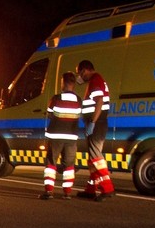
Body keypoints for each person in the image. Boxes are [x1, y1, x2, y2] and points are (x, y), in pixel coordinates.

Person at [76, 60, 116, 201]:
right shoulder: (95, 80)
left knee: (96, 157)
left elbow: (99, 101)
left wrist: (92, 122)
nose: (79, 77)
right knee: (92, 158)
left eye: (79, 73)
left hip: (97, 123)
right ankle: (91, 189)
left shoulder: (95, 80)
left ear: (84, 70)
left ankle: (107, 188)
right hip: (96, 123)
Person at [40, 72, 81, 200]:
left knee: (51, 163)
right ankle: (67, 193)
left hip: (55, 136)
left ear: (63, 82)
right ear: (73, 84)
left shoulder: (56, 98)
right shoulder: (79, 100)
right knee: (69, 165)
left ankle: (49, 192)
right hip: (71, 138)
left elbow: (50, 114)